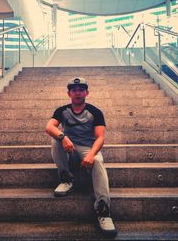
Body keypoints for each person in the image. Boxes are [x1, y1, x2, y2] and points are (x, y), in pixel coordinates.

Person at [45, 77, 117, 237]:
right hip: (68, 149)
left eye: (81, 90)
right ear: (69, 93)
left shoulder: (95, 112)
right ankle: (66, 179)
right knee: (56, 138)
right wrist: (63, 137)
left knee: (98, 161)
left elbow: (100, 137)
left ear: (87, 92)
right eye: (74, 90)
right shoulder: (62, 110)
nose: (77, 93)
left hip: (87, 149)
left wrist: (92, 154)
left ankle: (103, 211)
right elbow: (49, 127)